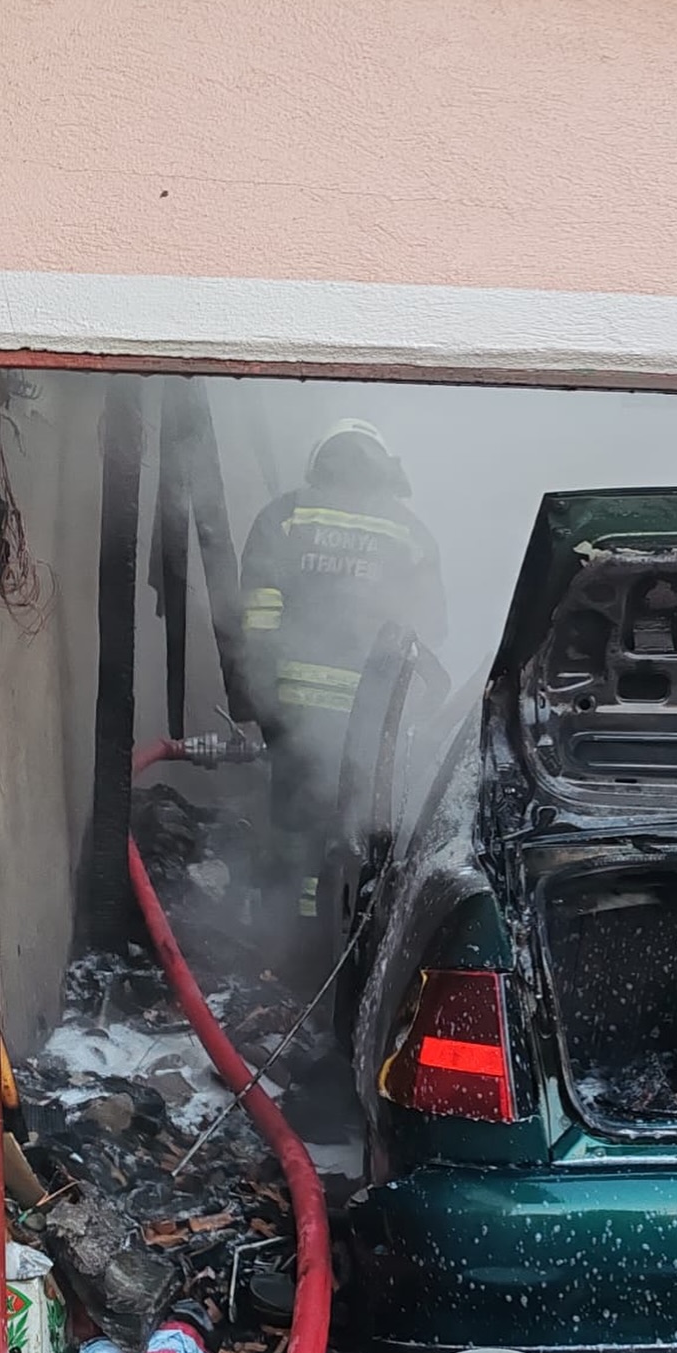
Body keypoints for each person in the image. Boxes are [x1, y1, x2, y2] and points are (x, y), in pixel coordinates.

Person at [236, 419, 446, 979]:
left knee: (293, 828)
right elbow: (431, 628)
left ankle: (287, 952)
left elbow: (256, 616)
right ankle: (345, 952)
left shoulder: (285, 516)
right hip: (368, 722)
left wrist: (262, 700)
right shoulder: (408, 532)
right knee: (359, 833)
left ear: (319, 461)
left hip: (294, 712)